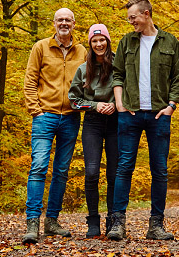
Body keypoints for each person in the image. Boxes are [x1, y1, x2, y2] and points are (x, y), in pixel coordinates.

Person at [107, 0, 179, 241]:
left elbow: (177, 77)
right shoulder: (126, 42)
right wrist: (119, 103)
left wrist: (171, 105)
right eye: (129, 18)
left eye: (134, 17)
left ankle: (156, 225)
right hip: (129, 114)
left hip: (159, 115)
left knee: (159, 170)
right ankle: (118, 223)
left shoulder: (170, 42)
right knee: (124, 167)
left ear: (147, 14)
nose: (131, 22)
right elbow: (117, 74)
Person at [23, 8, 87, 243]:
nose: (63, 23)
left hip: (71, 117)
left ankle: (51, 221)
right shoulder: (41, 47)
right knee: (39, 166)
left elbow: (88, 81)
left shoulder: (82, 51)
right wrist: (35, 110)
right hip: (45, 116)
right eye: (59, 19)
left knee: (61, 171)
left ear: (74, 23)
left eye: (67, 20)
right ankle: (32, 223)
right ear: (54, 23)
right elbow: (30, 79)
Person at [68, 24, 118, 238]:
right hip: (93, 123)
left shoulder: (119, 64)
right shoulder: (83, 68)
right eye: (94, 41)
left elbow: (131, 90)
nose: (99, 44)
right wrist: (95, 106)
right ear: (90, 44)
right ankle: (93, 220)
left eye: (102, 40)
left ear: (107, 41)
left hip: (116, 122)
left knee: (114, 174)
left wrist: (116, 103)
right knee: (91, 172)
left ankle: (114, 220)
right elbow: (73, 100)